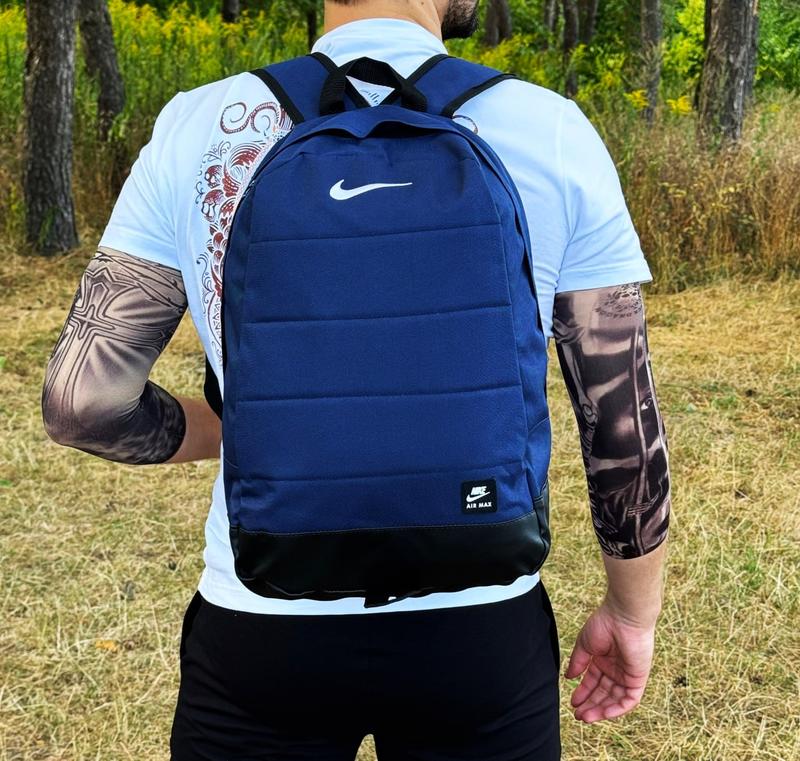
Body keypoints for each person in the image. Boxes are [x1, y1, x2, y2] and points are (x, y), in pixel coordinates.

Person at [41, 0, 671, 758]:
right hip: (481, 622)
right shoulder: (549, 128)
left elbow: (82, 401)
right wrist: (631, 615)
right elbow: (621, 425)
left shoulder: (198, 126)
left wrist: (233, 431)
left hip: (262, 611)